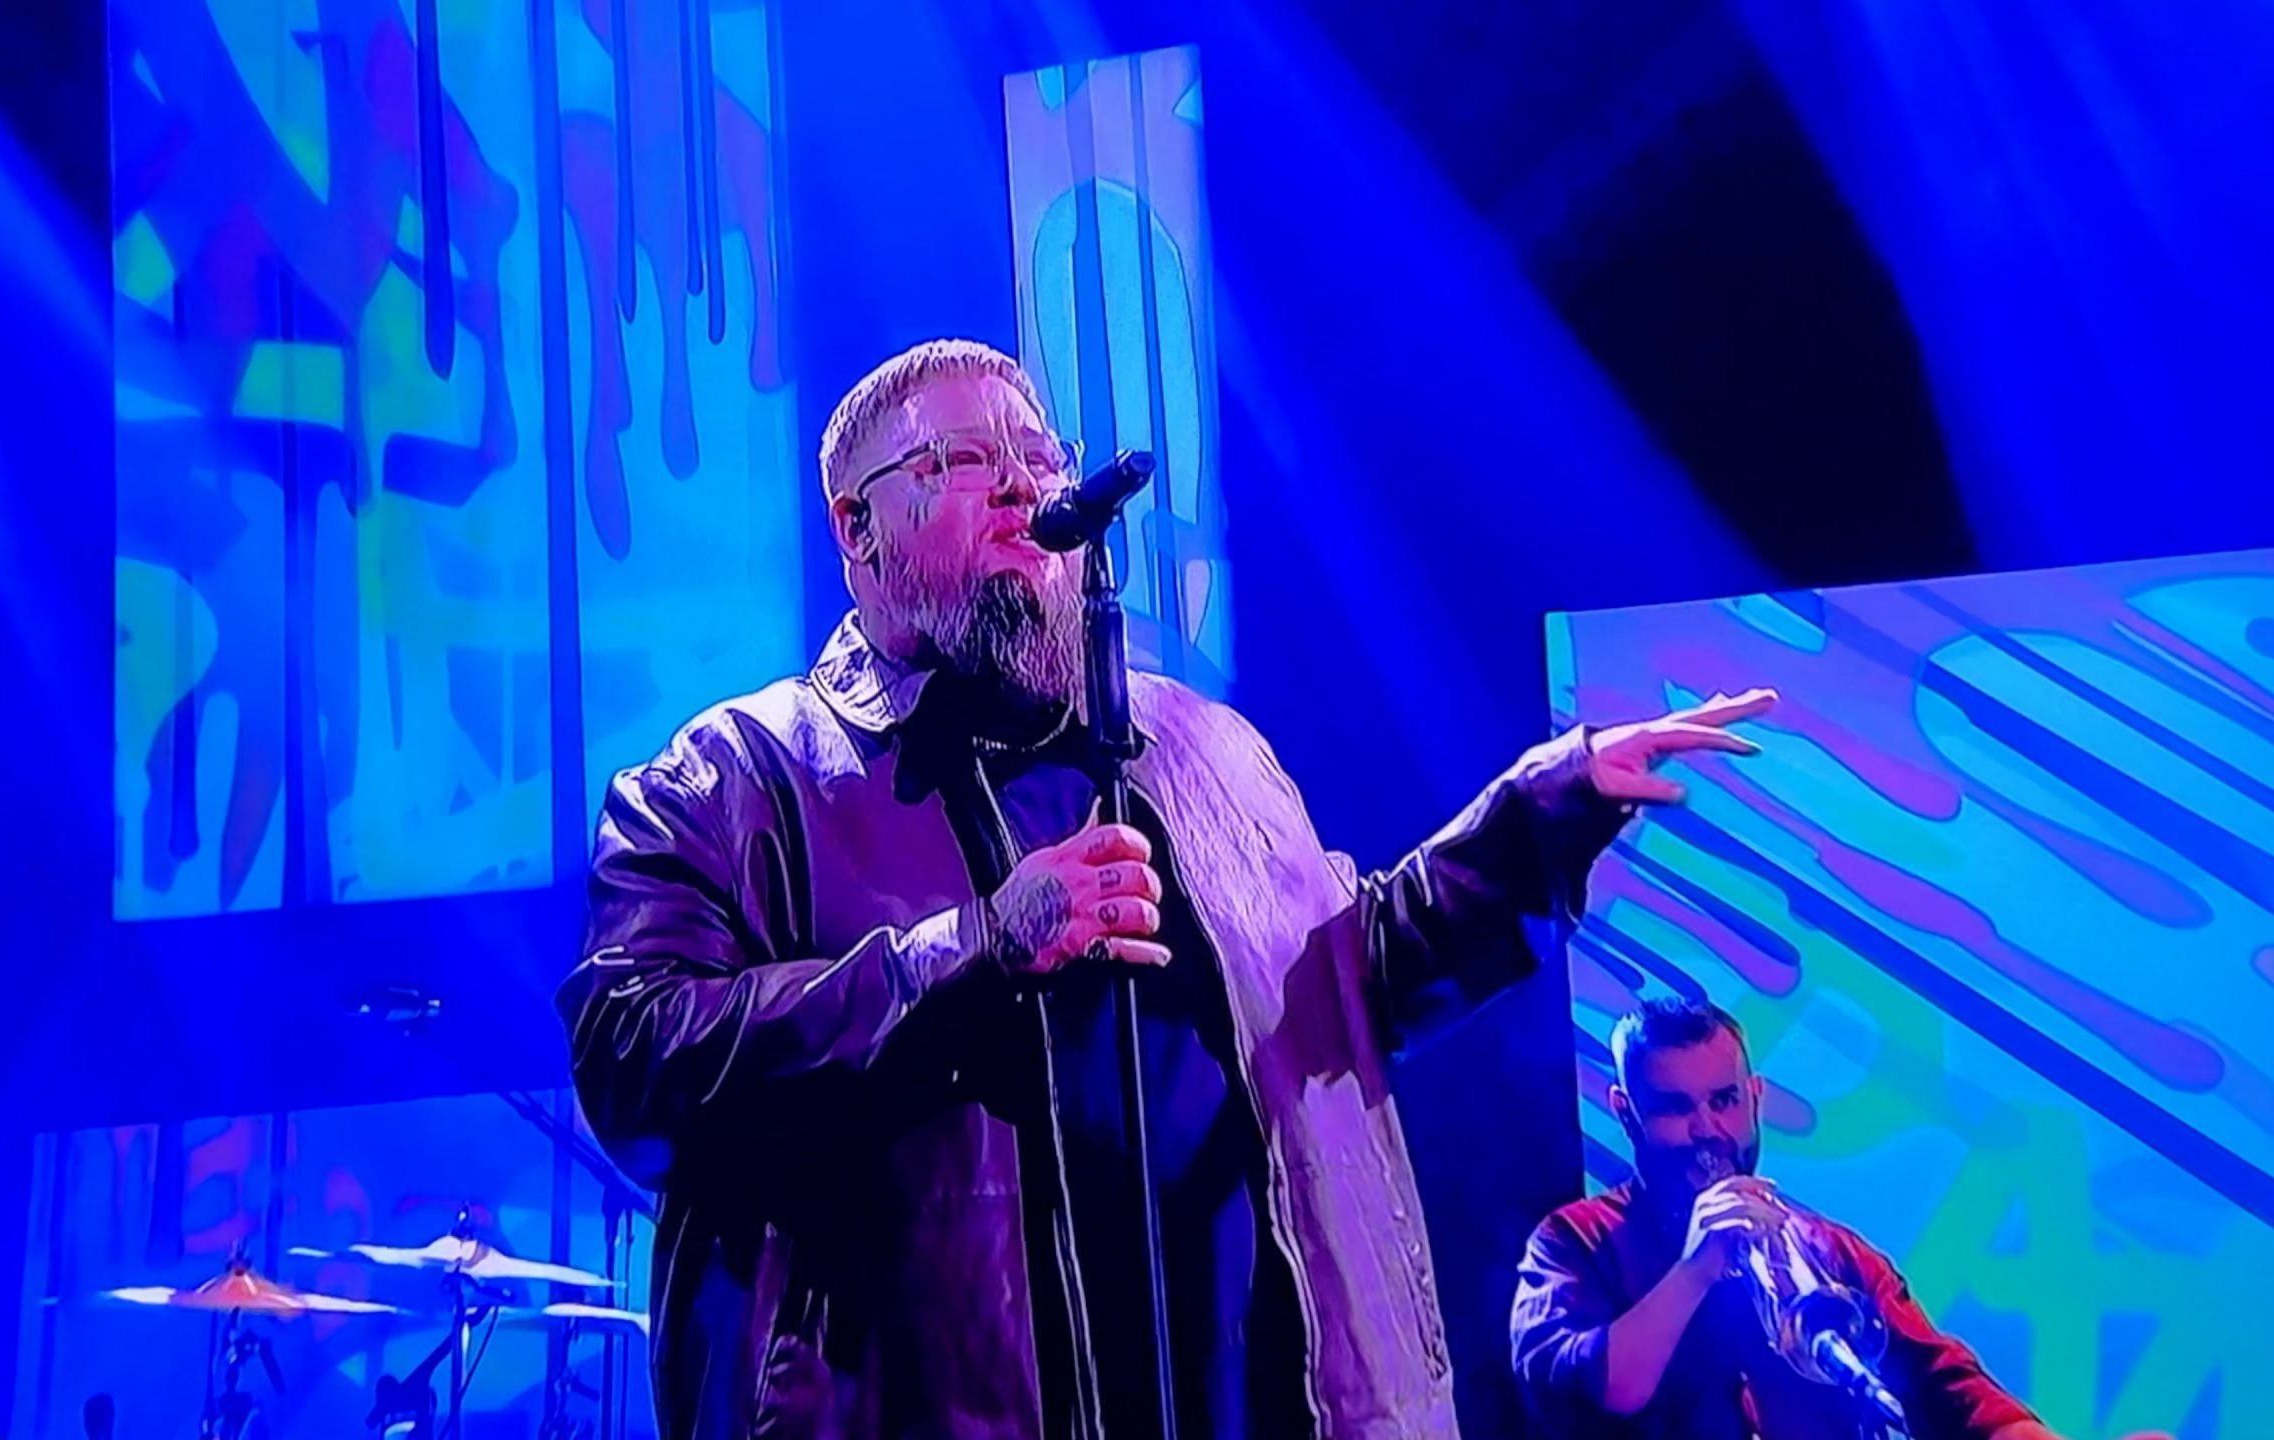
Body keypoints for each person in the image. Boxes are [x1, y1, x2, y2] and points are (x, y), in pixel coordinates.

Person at [560, 337, 1775, 1440]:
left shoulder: (1203, 749)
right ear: (856, 529)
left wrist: (1535, 820)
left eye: (1038, 455)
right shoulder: (734, 780)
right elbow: (633, 1058)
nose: (1019, 485)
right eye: (962, 460)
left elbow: (1339, 990)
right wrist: (977, 949)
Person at [1510, 997, 2171, 1440]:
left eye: (1725, 1101)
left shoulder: (1830, 1251)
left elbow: (1948, 1389)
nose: (1708, 1130)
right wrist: (1696, 1269)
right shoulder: (1573, 1242)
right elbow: (1591, 1392)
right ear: (1625, 1113)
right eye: (1675, 1108)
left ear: (1755, 1099)